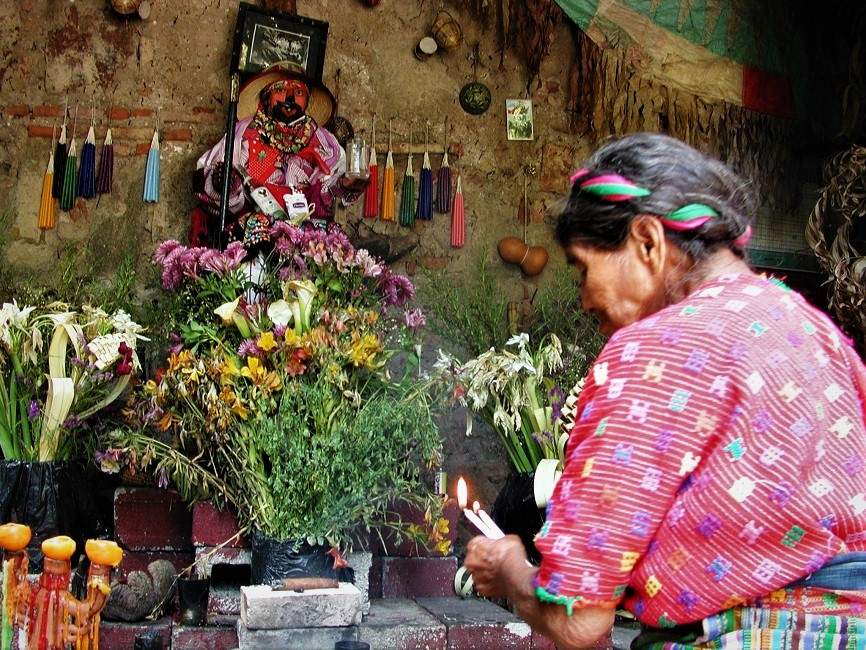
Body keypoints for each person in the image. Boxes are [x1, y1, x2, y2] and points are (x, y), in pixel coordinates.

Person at [465, 133, 866, 649]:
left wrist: (512, 569)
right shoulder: (816, 332)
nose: (585, 299)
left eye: (585, 269)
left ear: (648, 242)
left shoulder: (653, 349)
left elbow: (579, 620)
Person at [190, 63, 366, 249]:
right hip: (255, 226)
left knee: (333, 242)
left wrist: (346, 184)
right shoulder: (245, 133)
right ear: (267, 97)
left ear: (306, 100)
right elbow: (214, 177)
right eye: (281, 89)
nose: (289, 97)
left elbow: (331, 184)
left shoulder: (321, 139)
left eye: (298, 92)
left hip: (304, 227)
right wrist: (225, 182)